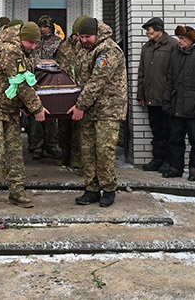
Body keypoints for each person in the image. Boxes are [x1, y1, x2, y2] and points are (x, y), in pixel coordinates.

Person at [0, 21, 47, 211]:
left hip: (8, 107)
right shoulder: (9, 50)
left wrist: (23, 105)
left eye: (36, 43)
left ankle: (17, 193)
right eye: (31, 43)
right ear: (22, 39)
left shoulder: (23, 52)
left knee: (14, 150)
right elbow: (20, 82)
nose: (34, 46)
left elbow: (22, 83)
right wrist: (37, 108)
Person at [68, 17, 127, 208]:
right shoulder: (86, 50)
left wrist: (80, 105)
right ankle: (91, 189)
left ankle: (108, 189)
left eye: (87, 36)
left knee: (104, 151)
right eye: (81, 37)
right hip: (89, 109)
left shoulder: (108, 50)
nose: (84, 40)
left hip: (107, 110)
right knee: (87, 151)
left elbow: (97, 81)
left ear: (97, 33)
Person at [162, 25, 195, 181]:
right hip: (176, 107)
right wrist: (167, 100)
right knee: (175, 139)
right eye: (179, 38)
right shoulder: (175, 55)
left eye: (183, 39)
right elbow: (169, 80)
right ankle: (175, 167)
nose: (180, 41)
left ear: (192, 40)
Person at [136, 17, 175, 173]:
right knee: (156, 131)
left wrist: (172, 95)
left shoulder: (172, 45)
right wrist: (141, 95)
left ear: (159, 30)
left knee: (169, 131)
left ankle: (168, 161)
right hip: (150, 97)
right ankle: (157, 158)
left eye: (149, 30)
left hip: (167, 98)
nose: (147, 33)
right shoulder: (147, 47)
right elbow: (142, 72)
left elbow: (176, 73)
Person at [55, 16, 88, 170]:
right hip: (65, 93)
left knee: (78, 129)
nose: (77, 38)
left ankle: (76, 159)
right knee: (63, 127)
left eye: (79, 35)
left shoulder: (86, 48)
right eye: (75, 35)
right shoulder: (63, 47)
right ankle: (64, 155)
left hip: (80, 93)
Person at [28, 15, 61, 160]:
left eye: (46, 27)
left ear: (51, 27)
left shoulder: (57, 42)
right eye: (41, 26)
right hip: (35, 80)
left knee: (52, 115)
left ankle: (52, 145)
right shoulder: (34, 41)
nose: (43, 29)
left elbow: (61, 60)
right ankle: (36, 146)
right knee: (35, 115)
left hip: (51, 80)